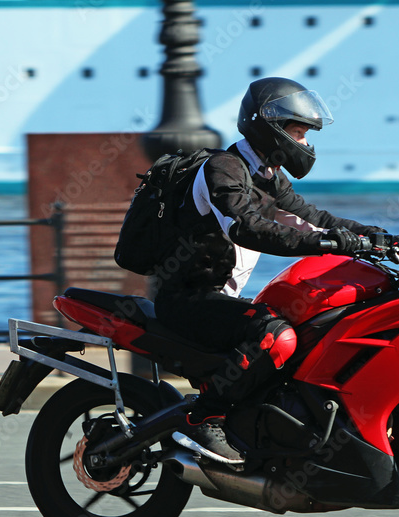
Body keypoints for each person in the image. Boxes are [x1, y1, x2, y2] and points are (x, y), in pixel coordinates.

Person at [154, 77, 384, 464]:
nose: (306, 144)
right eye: (299, 132)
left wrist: (378, 237)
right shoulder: (223, 168)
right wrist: (323, 244)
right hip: (188, 300)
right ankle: (205, 416)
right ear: (270, 127)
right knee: (275, 335)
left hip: (220, 299)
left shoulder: (267, 176)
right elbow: (243, 226)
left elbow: (312, 218)